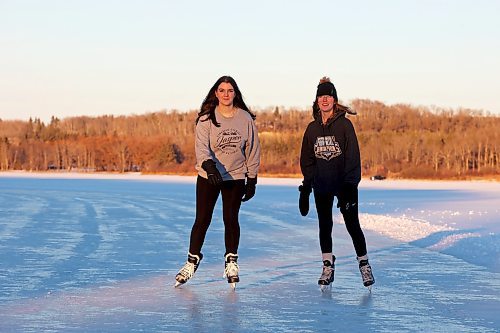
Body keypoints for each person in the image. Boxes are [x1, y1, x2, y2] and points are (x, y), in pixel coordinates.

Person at [175, 75, 261, 289]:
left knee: (231, 219)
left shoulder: (245, 118)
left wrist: (252, 178)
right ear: (216, 93)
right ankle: (192, 261)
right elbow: (201, 147)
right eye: (221, 90)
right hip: (209, 176)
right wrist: (209, 166)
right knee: (202, 219)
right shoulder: (206, 119)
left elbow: (252, 149)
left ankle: (231, 261)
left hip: (235, 175)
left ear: (235, 93)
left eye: (230, 91)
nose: (225, 94)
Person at [298, 76, 375, 290]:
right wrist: (306, 187)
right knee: (325, 226)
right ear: (316, 101)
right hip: (322, 185)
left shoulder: (345, 126)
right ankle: (327, 267)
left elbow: (353, 157)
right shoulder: (312, 129)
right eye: (321, 96)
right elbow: (307, 159)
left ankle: (364, 264)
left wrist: (350, 186)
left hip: (344, 186)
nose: (324, 100)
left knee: (352, 225)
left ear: (334, 100)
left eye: (328, 96)